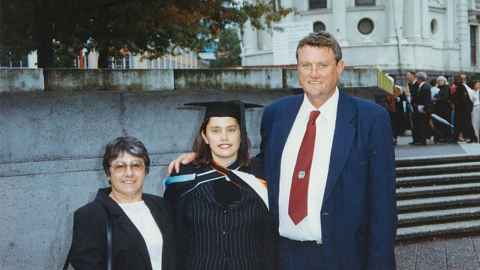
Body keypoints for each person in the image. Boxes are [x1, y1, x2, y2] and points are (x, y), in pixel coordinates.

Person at [169, 31, 396, 270]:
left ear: (340, 67)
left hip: (343, 257)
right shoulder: (278, 114)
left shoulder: (369, 119)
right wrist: (204, 158)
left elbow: (383, 204)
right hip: (283, 256)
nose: (314, 73)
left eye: (322, 65)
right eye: (306, 65)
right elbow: (260, 167)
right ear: (297, 68)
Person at [163, 101, 275, 270]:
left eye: (231, 130)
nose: (224, 137)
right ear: (205, 136)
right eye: (215, 130)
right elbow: (172, 237)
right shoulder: (184, 177)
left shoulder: (263, 175)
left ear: (241, 134)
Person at [66, 136, 176, 270]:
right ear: (108, 173)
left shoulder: (162, 206)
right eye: (120, 166)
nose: (129, 173)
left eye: (136, 165)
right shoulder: (90, 216)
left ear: (146, 170)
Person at [411, 72, 432, 145]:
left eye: (417, 78)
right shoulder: (422, 86)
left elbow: (427, 99)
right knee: (421, 125)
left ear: (419, 79)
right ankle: (422, 139)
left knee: (423, 125)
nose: (416, 80)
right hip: (420, 108)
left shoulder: (425, 87)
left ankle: (424, 140)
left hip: (423, 109)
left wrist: (425, 108)